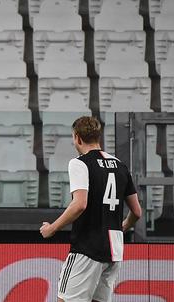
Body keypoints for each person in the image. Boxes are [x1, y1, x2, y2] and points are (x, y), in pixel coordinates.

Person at [40, 116, 142, 302]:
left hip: (88, 248)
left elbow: (80, 204)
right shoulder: (120, 165)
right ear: (98, 137)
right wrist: (123, 227)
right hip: (114, 250)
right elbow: (136, 212)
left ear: (77, 137)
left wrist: (52, 228)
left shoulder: (80, 163)